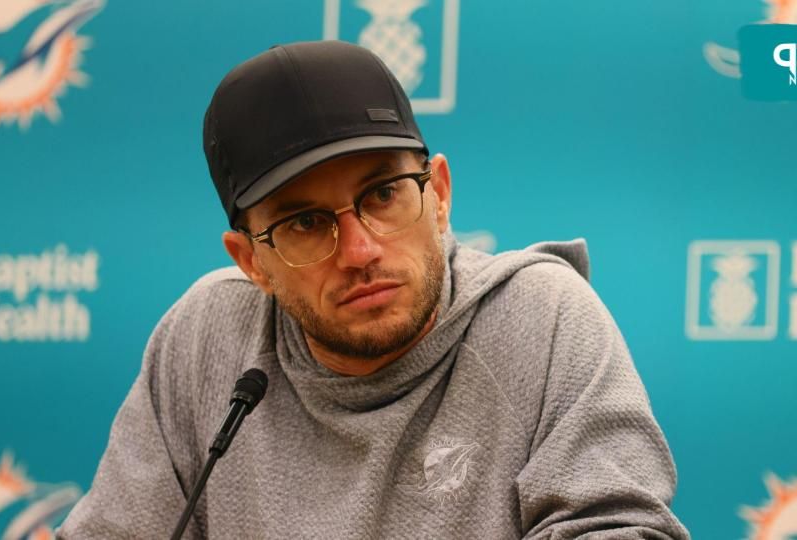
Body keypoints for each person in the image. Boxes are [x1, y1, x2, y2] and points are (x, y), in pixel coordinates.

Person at [59, 40, 689, 539]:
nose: (361, 251)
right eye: (305, 222)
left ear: (438, 194)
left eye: (382, 195)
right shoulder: (204, 340)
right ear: (252, 262)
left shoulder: (540, 318)